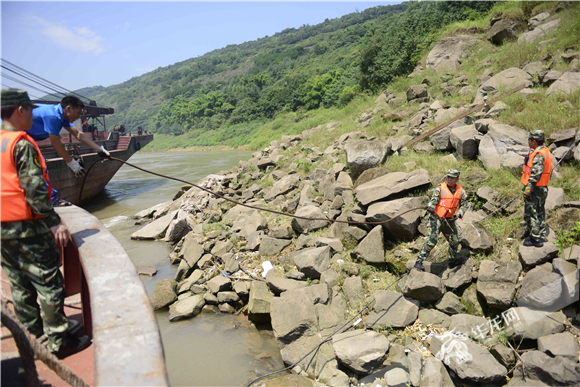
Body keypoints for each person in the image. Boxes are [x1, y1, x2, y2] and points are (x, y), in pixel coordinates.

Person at [1, 89, 91, 358]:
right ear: (20, 110)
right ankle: (58, 340)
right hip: (28, 226)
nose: (33, 115)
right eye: (30, 110)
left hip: (3, 229)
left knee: (19, 284)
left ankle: (33, 335)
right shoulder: (21, 143)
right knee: (49, 283)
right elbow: (35, 189)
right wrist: (54, 222)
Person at [26, 95, 110, 204]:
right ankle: (49, 201)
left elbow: (78, 134)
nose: (78, 116)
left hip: (25, 136)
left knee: (39, 163)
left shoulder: (62, 116)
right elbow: (55, 142)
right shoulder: (53, 116)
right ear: (69, 108)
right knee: (39, 162)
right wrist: (71, 162)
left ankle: (47, 199)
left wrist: (99, 149)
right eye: (78, 112)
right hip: (10, 133)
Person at [413, 169, 468, 271]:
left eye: (452, 178)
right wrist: (431, 207)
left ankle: (452, 261)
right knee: (432, 240)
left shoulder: (461, 191)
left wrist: (460, 213)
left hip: (449, 219)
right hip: (436, 218)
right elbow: (433, 200)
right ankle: (419, 261)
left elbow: (465, 204)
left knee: (454, 241)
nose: (450, 180)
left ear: (457, 179)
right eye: (448, 177)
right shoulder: (440, 188)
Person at [521, 130, 553, 247]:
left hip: (535, 188)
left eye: (529, 140)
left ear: (534, 141)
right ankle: (541, 234)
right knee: (540, 211)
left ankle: (535, 239)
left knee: (532, 212)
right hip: (541, 187)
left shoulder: (539, 154)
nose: (528, 142)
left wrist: (528, 187)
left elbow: (536, 173)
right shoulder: (545, 151)